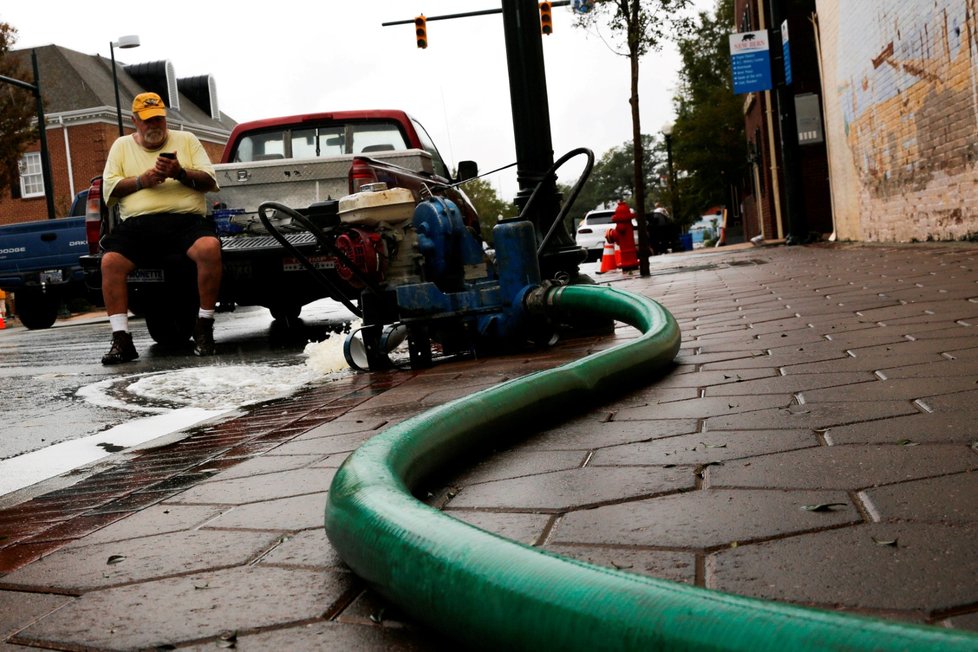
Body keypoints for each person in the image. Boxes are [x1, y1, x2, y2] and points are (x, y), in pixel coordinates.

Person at [99, 92, 221, 364]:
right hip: (139, 224)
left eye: (159, 120)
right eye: (147, 121)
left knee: (210, 248)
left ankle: (204, 328)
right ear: (135, 121)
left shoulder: (187, 140)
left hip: (186, 221)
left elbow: (209, 181)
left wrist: (179, 172)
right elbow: (111, 188)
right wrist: (141, 181)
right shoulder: (121, 146)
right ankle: (122, 340)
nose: (154, 126)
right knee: (110, 263)